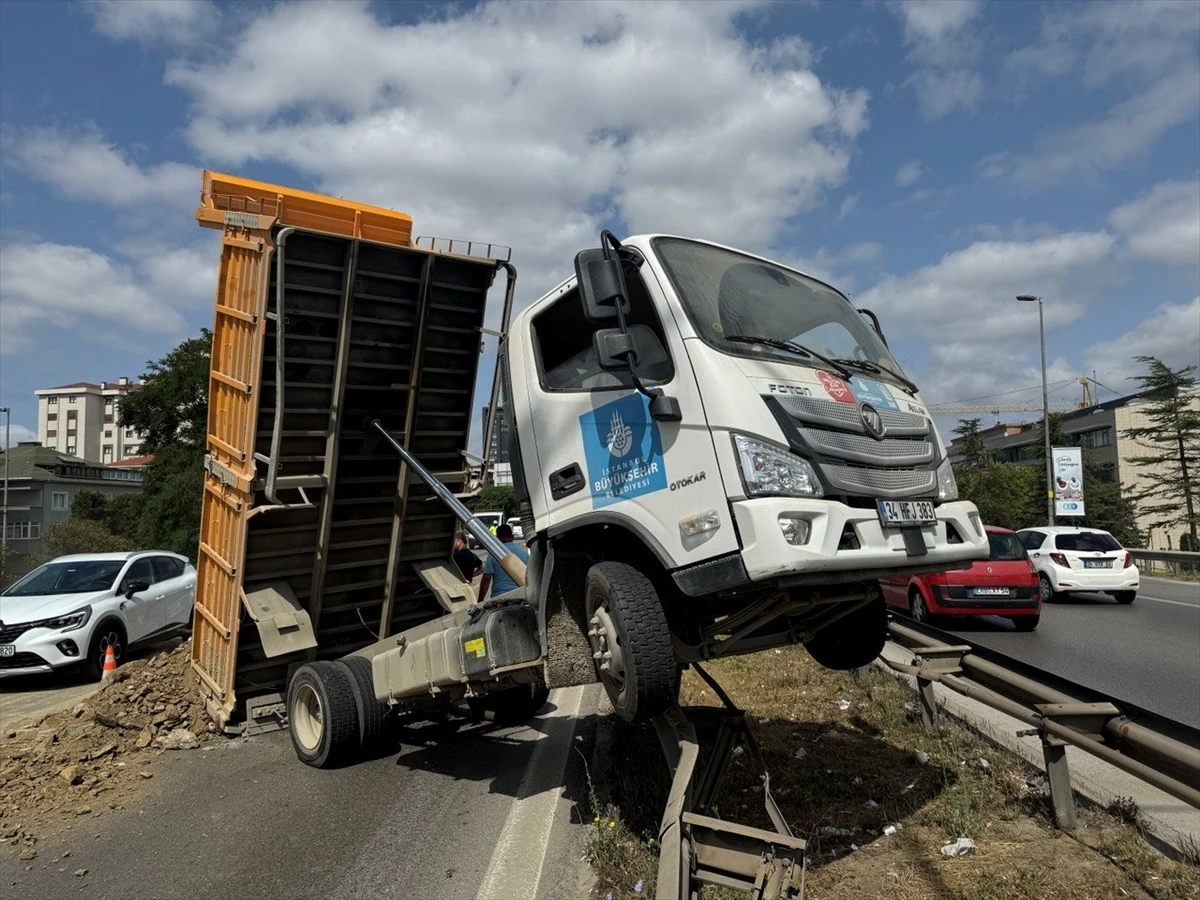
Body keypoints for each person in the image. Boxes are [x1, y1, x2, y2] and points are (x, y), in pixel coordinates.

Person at [479, 523, 529, 601]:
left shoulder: (493, 553)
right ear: (512, 536)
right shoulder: (523, 553)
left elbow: (487, 578)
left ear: (498, 538)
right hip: (520, 595)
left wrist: (480, 599)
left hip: (500, 597)